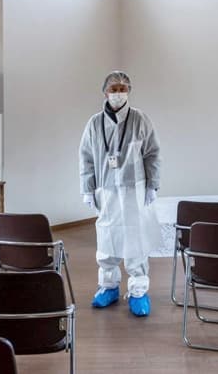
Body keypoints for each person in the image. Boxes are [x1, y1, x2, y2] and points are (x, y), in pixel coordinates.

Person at [79, 71, 161, 317]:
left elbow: (152, 154)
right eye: (113, 89)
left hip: (134, 188)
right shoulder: (94, 123)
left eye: (122, 88)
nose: (117, 93)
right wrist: (87, 188)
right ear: (105, 92)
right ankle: (108, 286)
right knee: (107, 237)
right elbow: (86, 158)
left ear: (129, 91)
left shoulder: (140, 120)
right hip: (106, 189)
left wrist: (152, 185)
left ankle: (138, 291)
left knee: (135, 239)